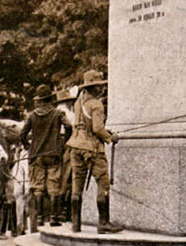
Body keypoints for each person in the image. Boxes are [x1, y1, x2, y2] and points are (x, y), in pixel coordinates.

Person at [66, 70, 121, 234]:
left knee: (77, 184)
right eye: (98, 86)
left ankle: (76, 225)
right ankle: (103, 223)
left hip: (75, 146)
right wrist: (111, 138)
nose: (101, 89)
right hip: (91, 148)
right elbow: (97, 128)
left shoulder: (78, 102)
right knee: (103, 182)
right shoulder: (96, 104)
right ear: (93, 87)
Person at [20, 84, 72, 227]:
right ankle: (54, 217)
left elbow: (22, 133)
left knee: (38, 187)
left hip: (36, 156)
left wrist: (27, 146)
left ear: (40, 100)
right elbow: (69, 126)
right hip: (53, 154)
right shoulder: (58, 113)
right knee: (54, 185)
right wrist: (64, 143)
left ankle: (39, 218)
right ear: (50, 99)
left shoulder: (32, 115)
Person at [55, 89, 77, 222]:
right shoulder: (69, 114)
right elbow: (71, 129)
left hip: (54, 148)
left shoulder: (53, 112)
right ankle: (64, 210)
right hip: (66, 146)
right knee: (67, 177)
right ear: (67, 101)